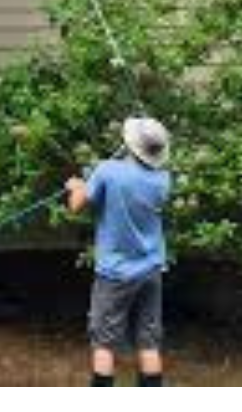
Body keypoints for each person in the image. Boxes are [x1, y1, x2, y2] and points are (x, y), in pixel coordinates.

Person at [65, 117, 171, 387]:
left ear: (129, 144)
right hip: (151, 270)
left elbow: (76, 205)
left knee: (104, 342)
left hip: (115, 273)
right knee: (149, 342)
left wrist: (76, 186)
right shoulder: (163, 179)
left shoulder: (108, 171)